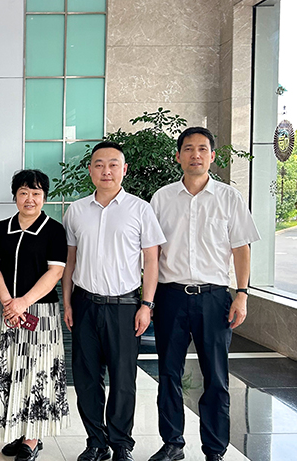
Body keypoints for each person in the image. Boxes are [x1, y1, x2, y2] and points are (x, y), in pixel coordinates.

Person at [148, 127, 260, 461]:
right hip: (170, 296)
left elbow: (241, 249)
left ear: (212, 155)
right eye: (188, 148)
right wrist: (148, 300)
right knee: (168, 373)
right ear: (178, 156)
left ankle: (214, 449)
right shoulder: (162, 198)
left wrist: (242, 294)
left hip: (214, 298)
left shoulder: (229, 197)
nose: (195, 155)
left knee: (216, 376)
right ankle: (173, 444)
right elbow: (151, 252)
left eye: (202, 149)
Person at [62, 142, 166, 461]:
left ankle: (121, 443)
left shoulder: (140, 209)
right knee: (86, 378)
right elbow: (70, 261)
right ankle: (96, 442)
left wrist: (147, 305)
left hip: (125, 306)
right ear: (90, 170)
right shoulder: (76, 210)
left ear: (124, 169)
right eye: (99, 164)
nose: (106, 171)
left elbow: (152, 260)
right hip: (84, 304)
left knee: (123, 380)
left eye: (113, 164)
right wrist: (67, 303)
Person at [0, 169, 69, 461]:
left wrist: (24, 302)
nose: (29, 199)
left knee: (36, 372)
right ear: (15, 196)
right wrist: (8, 301)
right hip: (8, 311)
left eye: (36, 193)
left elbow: (55, 272)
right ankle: (18, 431)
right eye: (23, 192)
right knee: (10, 369)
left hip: (40, 314)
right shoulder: (1, 228)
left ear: (44, 197)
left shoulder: (54, 230)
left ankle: (32, 438)